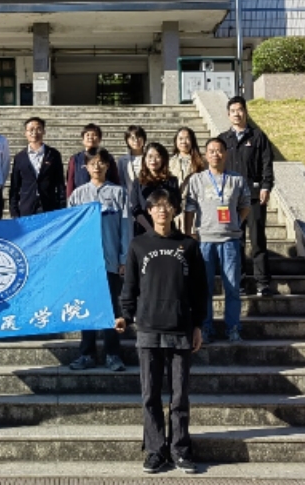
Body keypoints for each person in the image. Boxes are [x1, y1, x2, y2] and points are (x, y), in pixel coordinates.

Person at [116, 189, 207, 475]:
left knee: (179, 396)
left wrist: (198, 325)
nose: (162, 211)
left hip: (180, 328)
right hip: (148, 328)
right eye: (157, 206)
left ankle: (180, 450)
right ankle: (156, 450)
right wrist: (125, 315)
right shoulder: (138, 245)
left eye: (167, 206)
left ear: (175, 210)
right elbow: (130, 286)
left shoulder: (189, 245)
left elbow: (200, 291)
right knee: (150, 395)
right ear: (149, 211)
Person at [68, 149, 130, 372]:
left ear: (107, 166)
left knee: (112, 307)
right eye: (92, 162)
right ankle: (87, 354)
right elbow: (71, 231)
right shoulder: (78, 195)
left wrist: (124, 258)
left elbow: (126, 228)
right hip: (86, 262)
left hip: (110, 260)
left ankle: (113, 354)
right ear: (85, 166)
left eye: (101, 162)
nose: (97, 166)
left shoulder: (119, 193)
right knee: (87, 308)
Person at [184, 138, 250, 344]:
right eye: (211, 151)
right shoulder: (197, 180)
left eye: (219, 150)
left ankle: (233, 328)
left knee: (232, 287)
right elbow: (189, 208)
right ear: (205, 155)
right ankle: (205, 327)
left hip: (230, 240)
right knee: (205, 287)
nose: (215, 154)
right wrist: (188, 232)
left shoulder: (237, 179)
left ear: (226, 153)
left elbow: (246, 205)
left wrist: (236, 222)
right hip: (204, 239)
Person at [218, 95, 276, 297]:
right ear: (228, 115)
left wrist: (266, 186)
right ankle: (239, 282)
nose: (237, 114)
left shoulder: (258, 136)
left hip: (253, 196)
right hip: (230, 199)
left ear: (246, 112)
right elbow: (216, 167)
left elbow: (267, 163)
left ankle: (263, 283)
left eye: (240, 110)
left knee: (258, 239)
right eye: (233, 111)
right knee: (235, 240)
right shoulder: (223, 139)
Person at [9, 116, 66, 218]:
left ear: (44, 131)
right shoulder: (20, 157)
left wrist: (61, 206)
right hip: (27, 206)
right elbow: (15, 186)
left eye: (38, 129)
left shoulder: (53, 155)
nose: (34, 132)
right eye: (31, 130)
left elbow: (60, 183)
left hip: (49, 206)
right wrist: (14, 211)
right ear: (25, 133)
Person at [131, 142, 181, 236]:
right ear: (144, 159)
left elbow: (176, 207)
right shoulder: (138, 182)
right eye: (150, 156)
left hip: (167, 230)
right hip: (143, 231)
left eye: (157, 156)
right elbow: (135, 209)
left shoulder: (172, 181)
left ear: (163, 159)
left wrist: (162, 225)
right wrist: (150, 230)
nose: (153, 160)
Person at [65, 123, 120, 198]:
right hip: (81, 198)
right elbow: (70, 182)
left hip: (105, 197)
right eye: (87, 135)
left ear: (100, 139)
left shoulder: (108, 158)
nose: (90, 137)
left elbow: (115, 179)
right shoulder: (75, 159)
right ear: (83, 139)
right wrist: (70, 198)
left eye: (94, 135)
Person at [117, 125, 146, 203]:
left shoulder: (149, 158)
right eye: (132, 138)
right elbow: (121, 181)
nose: (136, 140)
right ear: (127, 141)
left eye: (139, 137)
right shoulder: (122, 161)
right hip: (129, 199)